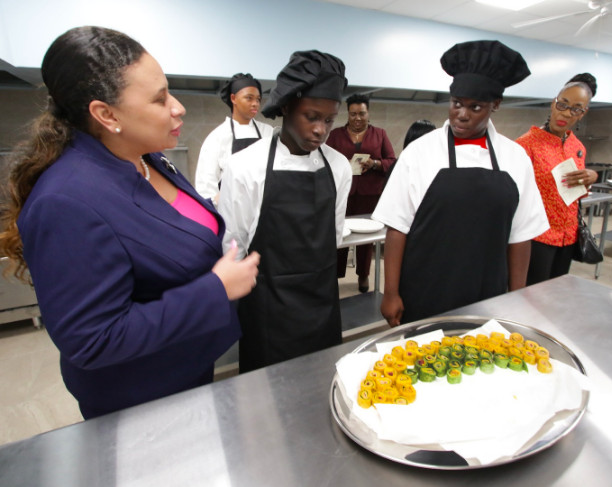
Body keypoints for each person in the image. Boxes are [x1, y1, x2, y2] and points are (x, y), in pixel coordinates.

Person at [0, 27, 259, 419]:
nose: (178, 107)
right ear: (106, 114)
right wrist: (215, 289)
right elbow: (93, 340)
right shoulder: (67, 201)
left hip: (186, 366)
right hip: (138, 397)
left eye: (169, 91)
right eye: (159, 99)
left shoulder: (145, 158)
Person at [373, 40, 549, 326]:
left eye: (475, 107)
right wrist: (391, 292)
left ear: (496, 105)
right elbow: (397, 228)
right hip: (424, 290)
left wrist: (517, 298)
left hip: (488, 292)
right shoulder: (420, 152)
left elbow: (520, 236)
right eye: (456, 104)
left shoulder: (515, 157)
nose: (461, 114)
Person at [218, 50, 352, 372]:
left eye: (330, 120)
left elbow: (333, 237)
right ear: (288, 105)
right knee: (266, 402)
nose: (321, 130)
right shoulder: (245, 166)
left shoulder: (338, 166)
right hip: (268, 310)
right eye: (312, 116)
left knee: (322, 386)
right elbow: (232, 245)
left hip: (322, 303)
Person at [516, 73, 599, 285]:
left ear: (583, 113)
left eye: (576, 109)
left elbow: (574, 191)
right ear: (553, 104)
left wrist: (591, 176)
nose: (566, 113)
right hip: (536, 237)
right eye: (562, 104)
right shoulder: (526, 145)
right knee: (532, 297)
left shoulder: (577, 147)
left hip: (568, 236)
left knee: (557, 293)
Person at [326, 94, 396, 292]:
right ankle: (336, 275)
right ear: (347, 114)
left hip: (370, 194)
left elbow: (391, 160)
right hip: (343, 193)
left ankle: (363, 275)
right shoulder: (335, 135)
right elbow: (325, 160)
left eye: (362, 114)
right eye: (353, 114)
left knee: (367, 234)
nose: (357, 118)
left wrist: (375, 163)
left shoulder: (380, 134)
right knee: (341, 233)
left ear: (368, 113)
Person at [195, 73, 274, 202]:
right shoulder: (217, 137)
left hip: (265, 207)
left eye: (258, 99)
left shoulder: (268, 132)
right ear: (233, 98)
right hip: (232, 211)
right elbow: (206, 185)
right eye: (249, 98)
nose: (255, 104)